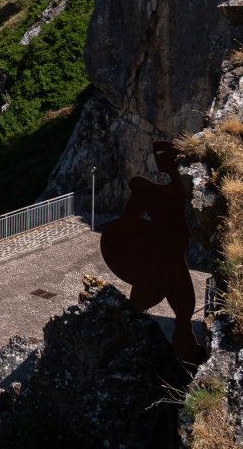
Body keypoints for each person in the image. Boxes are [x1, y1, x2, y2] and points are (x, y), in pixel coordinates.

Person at [98, 140, 201, 362]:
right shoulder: (149, 192)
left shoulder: (152, 192)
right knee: (174, 309)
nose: (159, 158)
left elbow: (127, 223)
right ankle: (140, 348)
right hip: (163, 260)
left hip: (166, 260)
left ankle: (180, 353)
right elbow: (127, 225)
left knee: (179, 311)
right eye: (158, 154)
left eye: (163, 154)